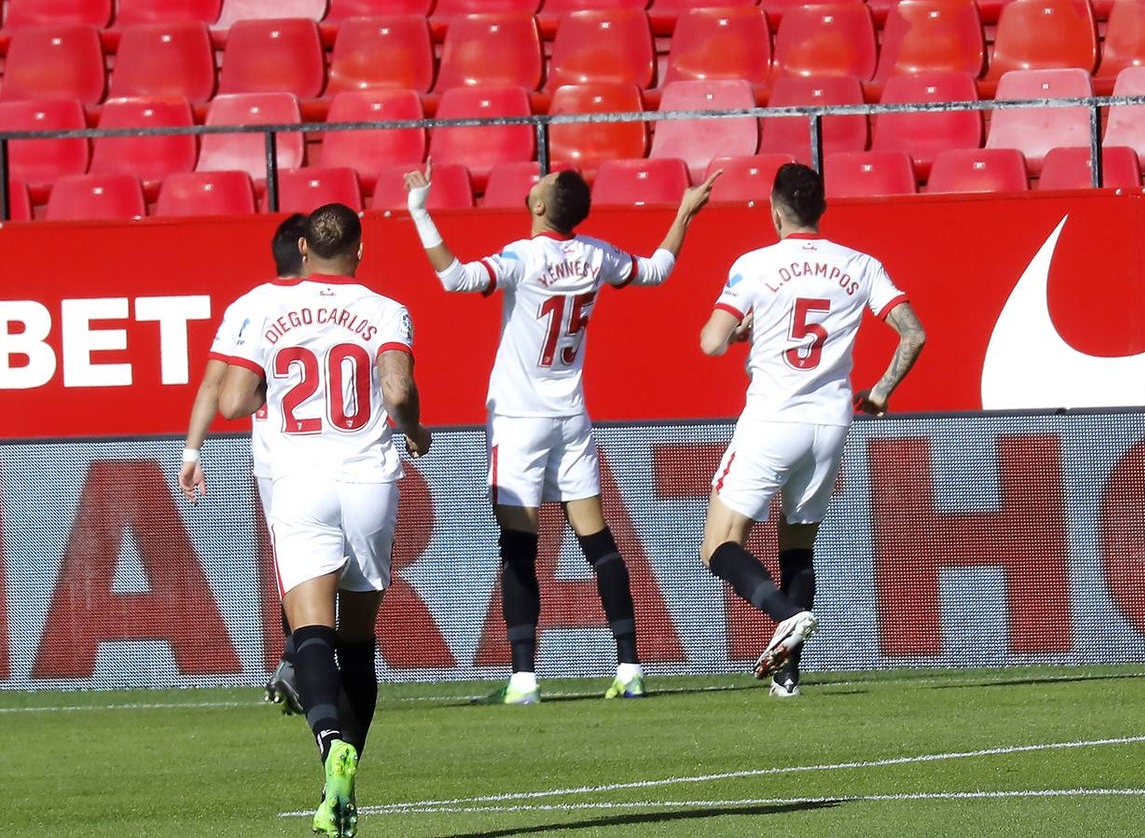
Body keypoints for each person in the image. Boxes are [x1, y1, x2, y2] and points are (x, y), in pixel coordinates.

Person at [403, 161, 719, 704]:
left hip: (521, 418)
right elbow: (658, 269)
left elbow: (453, 278)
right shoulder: (596, 254)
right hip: (570, 415)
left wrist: (419, 211)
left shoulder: (523, 258)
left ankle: (524, 677)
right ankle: (630, 666)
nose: (535, 181)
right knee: (597, 542)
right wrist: (685, 213)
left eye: (542, 182)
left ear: (542, 206)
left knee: (519, 546)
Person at [217, 203, 431, 838]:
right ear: (360, 252)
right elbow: (396, 391)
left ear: (304, 247)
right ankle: (343, 783)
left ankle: (328, 739)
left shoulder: (270, 307)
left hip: (300, 480)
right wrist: (415, 429)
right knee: (359, 642)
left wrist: (273, 391)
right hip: (368, 477)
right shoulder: (386, 309)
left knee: (312, 630)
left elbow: (231, 400)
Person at [698, 163, 926, 698]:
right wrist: (882, 391)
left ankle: (782, 614)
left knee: (718, 545)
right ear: (821, 209)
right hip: (832, 421)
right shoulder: (861, 265)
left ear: (775, 209)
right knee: (798, 544)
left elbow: (710, 341)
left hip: (774, 416)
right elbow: (913, 333)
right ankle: (789, 678)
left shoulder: (754, 265)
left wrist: (741, 337)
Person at [178, 213, 309, 714]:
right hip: (335, 455)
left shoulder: (248, 307)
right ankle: (304, 662)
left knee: (298, 565)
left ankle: (298, 660)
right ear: (306, 248)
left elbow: (215, 383)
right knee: (332, 570)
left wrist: (192, 452)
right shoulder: (347, 301)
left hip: (277, 461)